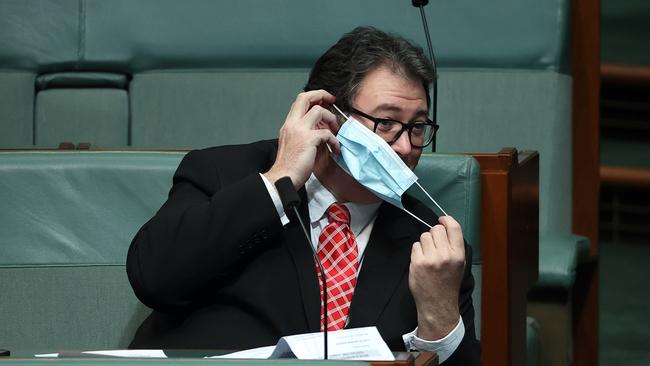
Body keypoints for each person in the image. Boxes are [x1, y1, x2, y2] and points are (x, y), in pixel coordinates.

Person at [127, 26, 480, 365]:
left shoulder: (435, 246)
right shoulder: (223, 173)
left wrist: (439, 318)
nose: (405, 147)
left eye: (418, 127)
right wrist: (278, 182)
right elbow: (153, 278)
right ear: (326, 116)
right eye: (386, 123)